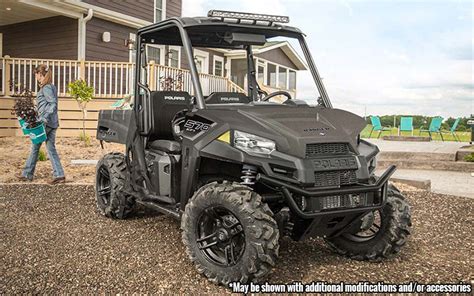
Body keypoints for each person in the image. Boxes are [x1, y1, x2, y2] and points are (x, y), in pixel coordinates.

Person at [18, 64, 66, 184]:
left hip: (45, 123)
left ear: (40, 74)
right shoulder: (51, 87)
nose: (36, 77)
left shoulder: (46, 88)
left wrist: (43, 118)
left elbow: (52, 104)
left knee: (35, 147)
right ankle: (59, 175)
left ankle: (27, 174)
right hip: (52, 123)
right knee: (50, 149)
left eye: (36, 74)